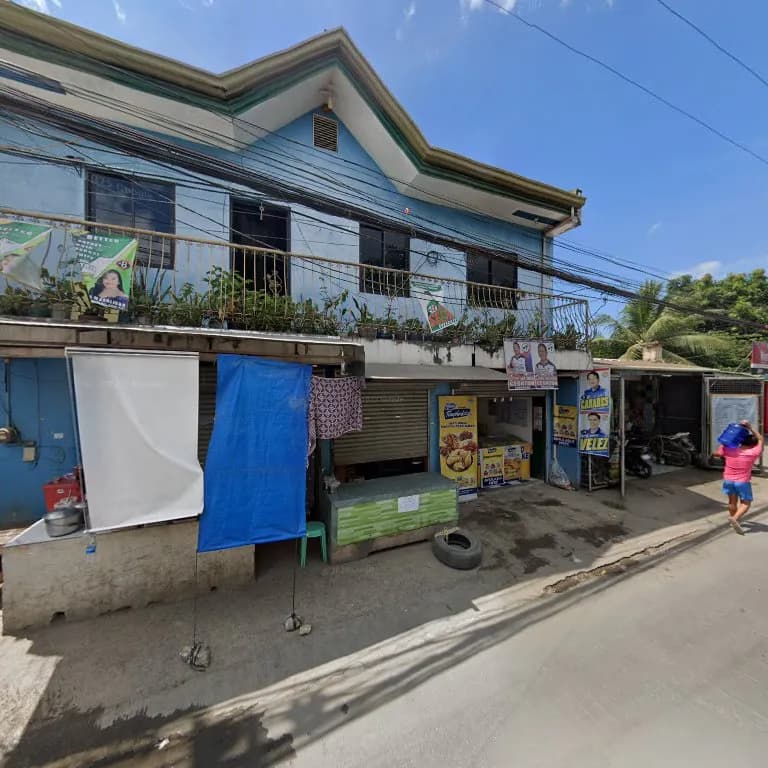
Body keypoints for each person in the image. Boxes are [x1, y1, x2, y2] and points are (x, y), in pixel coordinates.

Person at [715, 420, 764, 535]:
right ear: (753, 444)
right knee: (746, 503)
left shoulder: (729, 450)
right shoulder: (753, 452)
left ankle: (734, 519)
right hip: (742, 482)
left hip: (728, 480)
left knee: (732, 501)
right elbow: (761, 439)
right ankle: (734, 519)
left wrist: (728, 439)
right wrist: (750, 427)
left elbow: (717, 453)